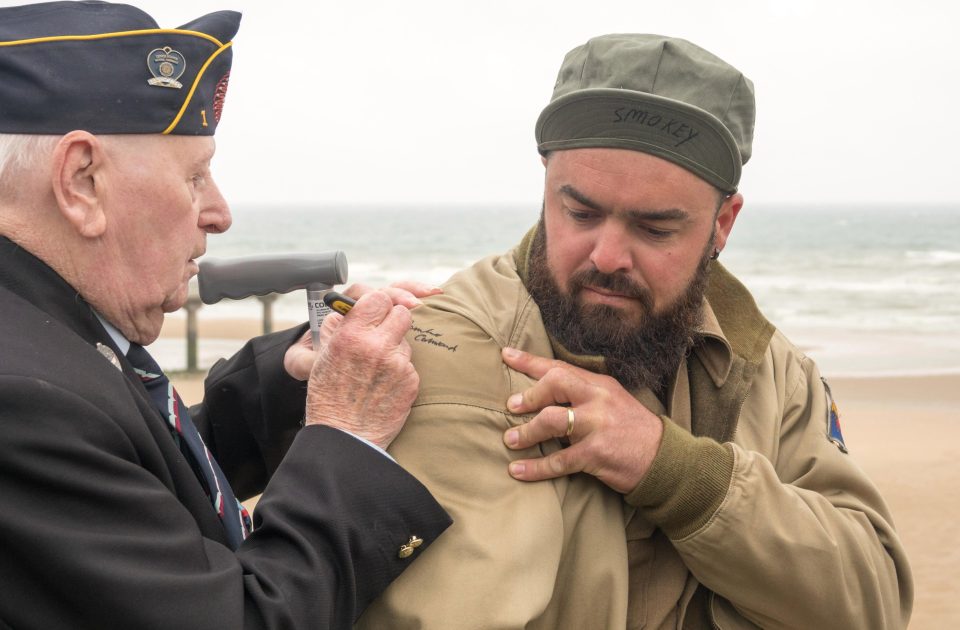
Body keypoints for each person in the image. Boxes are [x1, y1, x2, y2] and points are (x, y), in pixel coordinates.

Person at [355, 34, 913, 629]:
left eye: (655, 228)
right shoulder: (449, 345)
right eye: (581, 213)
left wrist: (679, 474)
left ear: (723, 223)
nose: (609, 255)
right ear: (545, 181)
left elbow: (871, 601)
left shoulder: (772, 372)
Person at [0, 3, 451, 629]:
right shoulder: (22, 399)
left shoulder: (40, 329)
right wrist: (347, 437)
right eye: (195, 177)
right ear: (81, 182)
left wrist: (293, 387)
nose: (219, 212)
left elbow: (131, 474)